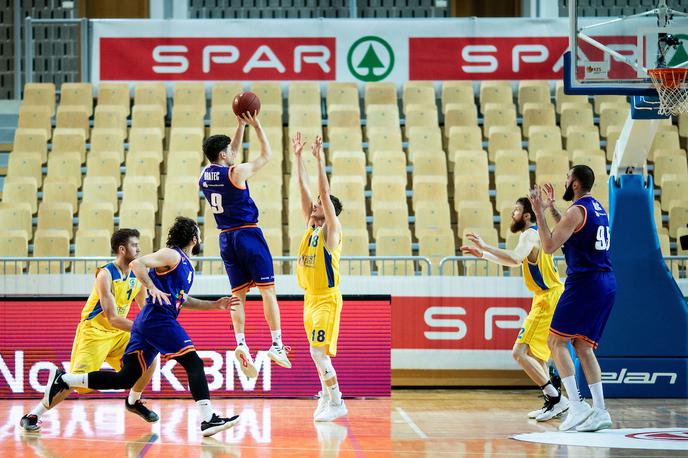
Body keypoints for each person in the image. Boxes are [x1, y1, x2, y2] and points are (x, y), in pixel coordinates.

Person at [42, 217, 241, 437]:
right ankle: (208, 419)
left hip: (149, 323)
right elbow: (137, 264)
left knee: (126, 378)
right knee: (193, 363)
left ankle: (65, 379)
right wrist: (152, 287)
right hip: (158, 320)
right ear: (194, 238)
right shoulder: (172, 254)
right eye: (199, 233)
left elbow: (181, 300)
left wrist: (215, 305)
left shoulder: (184, 263)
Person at [20, 229, 158, 431]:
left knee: (151, 357)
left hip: (119, 334)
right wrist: (144, 329)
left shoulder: (137, 274)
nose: (139, 248)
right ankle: (33, 415)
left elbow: (145, 309)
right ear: (122, 249)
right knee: (76, 381)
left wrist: (158, 325)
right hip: (94, 332)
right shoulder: (105, 274)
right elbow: (112, 318)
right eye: (134, 245)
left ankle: (133, 400)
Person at [199, 112, 290, 379]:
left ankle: (240, 343)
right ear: (223, 155)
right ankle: (277, 344)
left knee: (237, 295)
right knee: (267, 291)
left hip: (225, 239)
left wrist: (239, 127)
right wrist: (256, 124)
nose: (233, 152)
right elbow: (267, 155)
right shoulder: (236, 173)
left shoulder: (204, 175)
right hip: (248, 234)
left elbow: (233, 153)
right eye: (229, 150)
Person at [461, 198, 567, 422]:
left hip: (547, 298)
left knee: (519, 353)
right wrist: (485, 255)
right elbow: (516, 262)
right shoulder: (532, 235)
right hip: (549, 296)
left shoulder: (530, 234)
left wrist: (485, 247)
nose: (513, 213)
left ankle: (557, 399)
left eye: (517, 210)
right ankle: (553, 401)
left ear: (527, 215)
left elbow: (515, 257)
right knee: (537, 358)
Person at [529, 165, 617, 432]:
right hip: (605, 283)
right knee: (582, 346)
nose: (565, 182)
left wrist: (539, 214)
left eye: (567, 178)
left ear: (575, 184)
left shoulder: (577, 211)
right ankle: (600, 411)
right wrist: (553, 209)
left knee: (555, 341)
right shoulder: (595, 208)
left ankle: (577, 408)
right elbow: (571, 229)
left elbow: (548, 245)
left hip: (585, 282)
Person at [293, 133, 346, 422]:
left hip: (326, 299)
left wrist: (320, 160)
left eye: (319, 204)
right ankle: (326, 395)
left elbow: (323, 195)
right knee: (316, 353)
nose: (314, 205)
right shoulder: (311, 228)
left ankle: (337, 400)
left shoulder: (330, 232)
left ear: (328, 211)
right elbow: (303, 188)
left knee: (317, 352)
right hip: (309, 299)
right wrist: (298, 157)